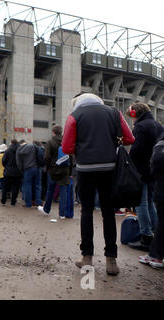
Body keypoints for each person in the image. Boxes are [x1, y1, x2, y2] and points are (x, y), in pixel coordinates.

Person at [62, 93, 134, 276]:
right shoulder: (113, 112)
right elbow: (129, 138)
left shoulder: (75, 116)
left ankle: (87, 257)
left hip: (85, 169)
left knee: (86, 211)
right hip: (110, 169)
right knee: (108, 212)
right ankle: (111, 260)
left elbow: (67, 147)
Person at [126, 103, 163, 251]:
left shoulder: (140, 127)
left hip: (141, 170)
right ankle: (156, 234)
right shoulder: (159, 126)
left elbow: (136, 150)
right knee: (150, 203)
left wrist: (129, 163)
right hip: (154, 170)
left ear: (136, 114)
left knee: (140, 203)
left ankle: (146, 236)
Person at [139, 132, 164, 268]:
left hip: (160, 186)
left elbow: (155, 166)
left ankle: (156, 256)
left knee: (162, 222)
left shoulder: (160, 144)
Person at [38, 125, 72, 220]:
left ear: (53, 132)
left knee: (50, 190)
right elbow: (71, 156)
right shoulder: (66, 142)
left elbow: (46, 157)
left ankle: (46, 209)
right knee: (63, 192)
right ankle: (62, 214)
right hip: (65, 170)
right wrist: (70, 172)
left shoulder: (50, 142)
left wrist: (48, 167)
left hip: (53, 170)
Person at [16, 140, 42, 208]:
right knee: (38, 185)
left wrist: (21, 169)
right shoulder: (34, 146)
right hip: (37, 168)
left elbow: (18, 162)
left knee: (27, 186)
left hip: (27, 169)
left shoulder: (19, 149)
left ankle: (28, 203)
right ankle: (38, 202)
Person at [1, 139, 23, 206]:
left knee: (5, 187)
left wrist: (7, 167)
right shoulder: (20, 151)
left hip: (8, 172)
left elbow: (3, 161)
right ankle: (13, 202)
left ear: (11, 143)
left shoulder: (7, 151)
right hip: (17, 172)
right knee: (15, 187)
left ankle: (3, 201)